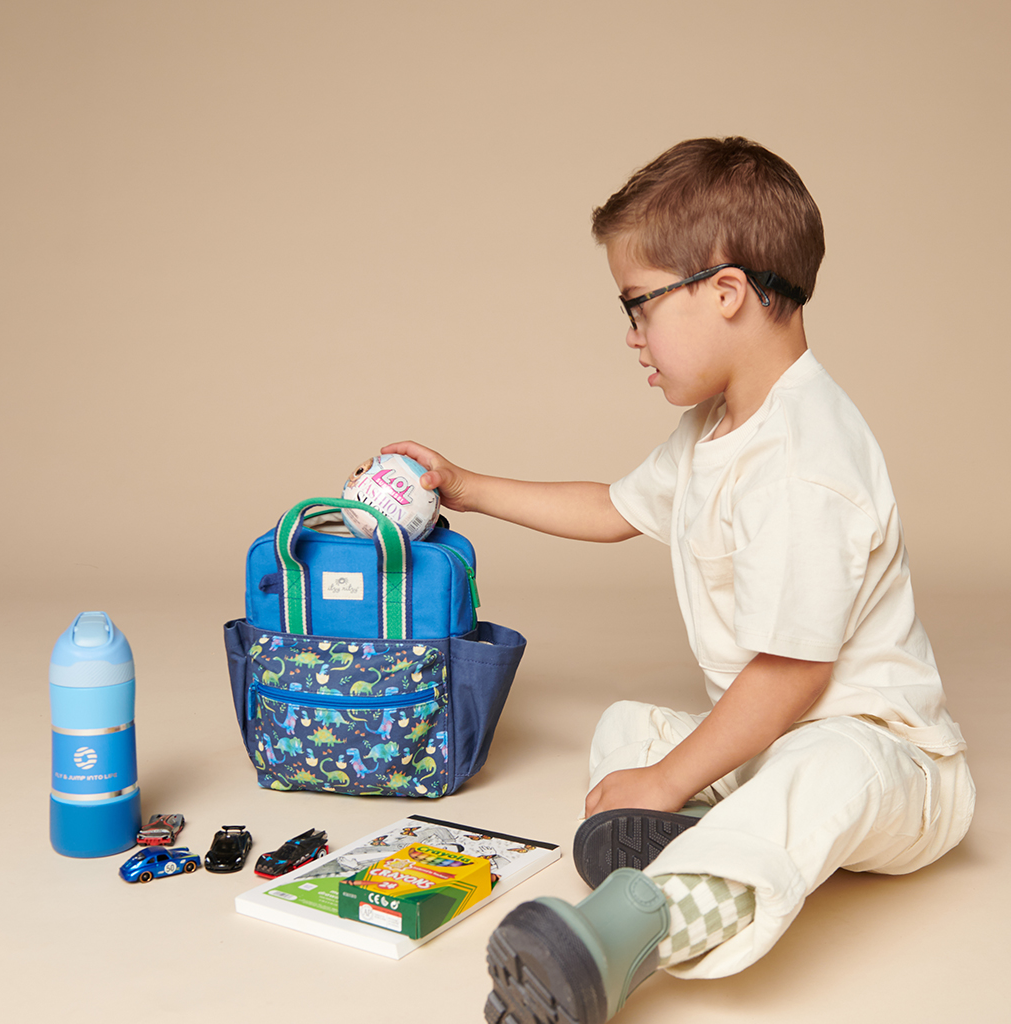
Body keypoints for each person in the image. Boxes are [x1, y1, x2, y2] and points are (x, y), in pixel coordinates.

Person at [384, 136, 974, 1024]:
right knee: (631, 728)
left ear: (726, 292)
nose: (631, 338)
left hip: (890, 765)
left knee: (827, 761)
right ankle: (721, 856)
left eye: (639, 306)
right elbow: (614, 509)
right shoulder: (716, 427)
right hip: (773, 744)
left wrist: (664, 784)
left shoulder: (805, 458)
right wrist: (464, 486)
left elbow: (794, 674)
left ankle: (622, 937)